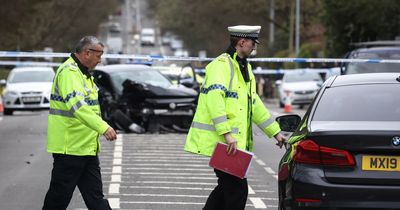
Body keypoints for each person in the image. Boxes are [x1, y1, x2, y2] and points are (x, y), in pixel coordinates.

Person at [184, 25, 286, 210]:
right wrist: (227, 133)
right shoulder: (221, 66)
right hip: (224, 143)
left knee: (226, 190)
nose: (254, 47)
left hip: (232, 144)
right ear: (242, 42)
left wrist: (275, 132)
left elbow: (253, 103)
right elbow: (215, 100)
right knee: (237, 190)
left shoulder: (243, 68)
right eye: (253, 43)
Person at [42, 36, 117, 210]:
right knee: (58, 199)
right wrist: (103, 127)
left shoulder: (83, 74)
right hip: (70, 149)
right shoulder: (69, 72)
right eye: (98, 56)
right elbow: (78, 107)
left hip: (86, 148)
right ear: (87, 53)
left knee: (96, 199)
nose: (100, 60)